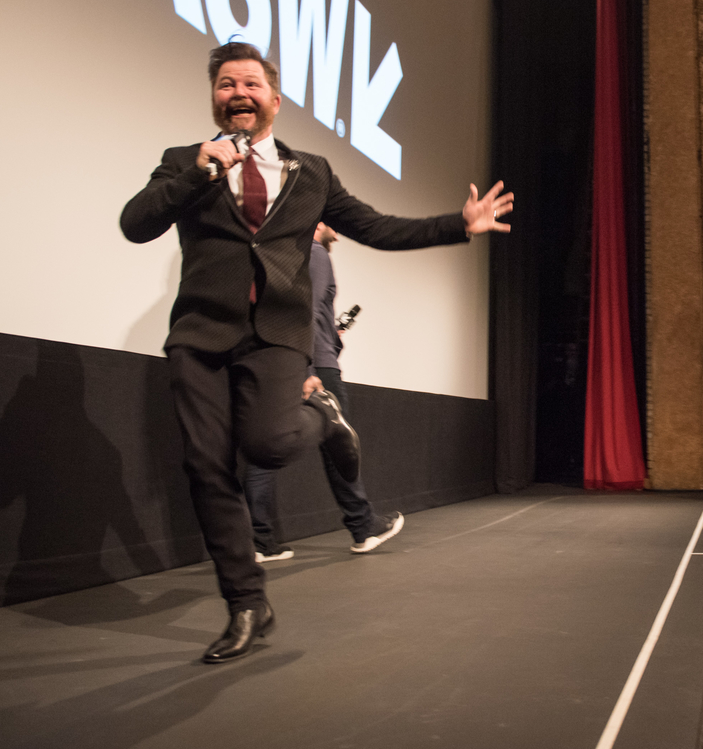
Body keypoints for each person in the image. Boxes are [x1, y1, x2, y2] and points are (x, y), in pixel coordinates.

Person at [120, 42, 513, 664]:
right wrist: (198, 172)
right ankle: (247, 604)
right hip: (200, 335)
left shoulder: (312, 172)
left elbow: (377, 227)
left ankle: (325, 419)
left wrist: (457, 224)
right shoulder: (183, 161)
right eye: (226, 84)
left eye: (250, 83)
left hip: (276, 334)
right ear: (215, 99)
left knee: (269, 445)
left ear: (274, 100)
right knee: (207, 467)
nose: (238, 93)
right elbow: (135, 224)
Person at [244, 223, 405, 562]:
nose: (339, 230)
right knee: (339, 445)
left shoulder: (285, 256)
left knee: (265, 448)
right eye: (333, 220)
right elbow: (308, 312)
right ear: (318, 222)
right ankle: (363, 526)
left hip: (285, 361)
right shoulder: (315, 253)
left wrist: (330, 337)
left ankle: (259, 541)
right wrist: (310, 368)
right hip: (316, 366)